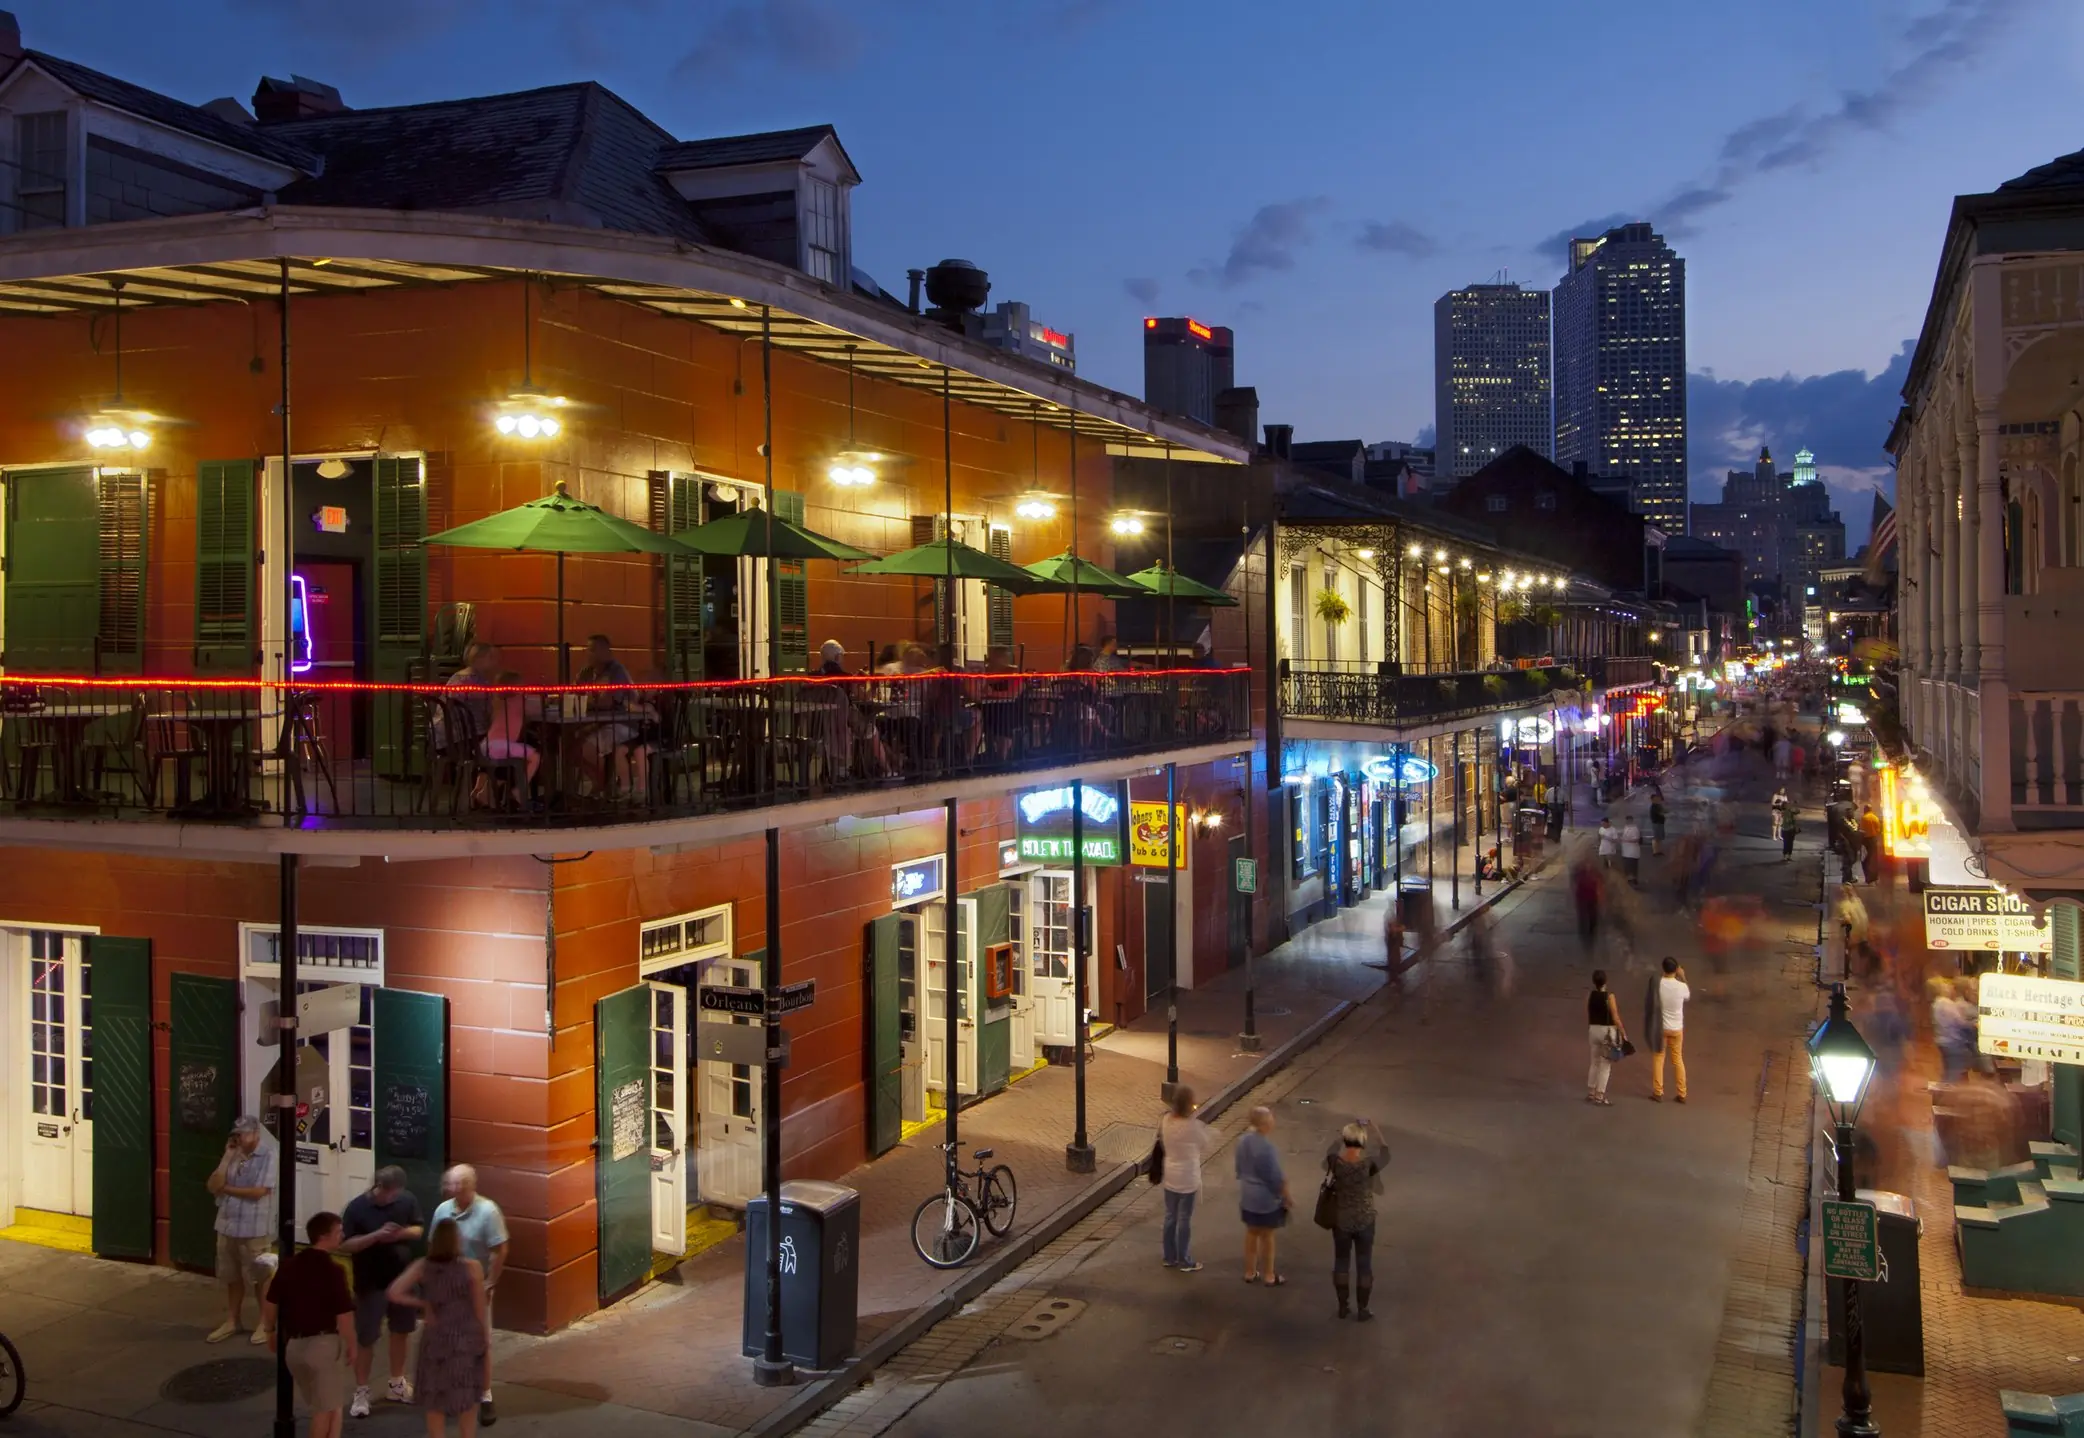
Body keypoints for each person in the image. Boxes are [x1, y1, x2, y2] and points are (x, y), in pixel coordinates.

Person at [388, 1219, 490, 1438]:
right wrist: (484, 1339)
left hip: (436, 1338)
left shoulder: (423, 1266)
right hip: (465, 1337)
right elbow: (480, 1309)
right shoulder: (472, 1268)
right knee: (466, 1397)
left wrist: (423, 1304)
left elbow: (394, 1292)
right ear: (456, 1240)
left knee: (435, 1398)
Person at [342, 1165, 428, 1416]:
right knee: (366, 1337)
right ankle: (361, 1390)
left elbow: (418, 1228)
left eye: (398, 1193)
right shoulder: (357, 1208)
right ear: (379, 1187)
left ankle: (397, 1383)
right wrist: (376, 1236)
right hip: (370, 1283)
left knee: (401, 1331)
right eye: (391, 1193)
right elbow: (347, 1245)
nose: (395, 1197)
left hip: (402, 1279)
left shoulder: (407, 1200)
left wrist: (400, 1233)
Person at [264, 1210, 358, 1438]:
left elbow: (270, 1301)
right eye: (338, 1232)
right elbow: (344, 1315)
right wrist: (352, 1344)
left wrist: (270, 1331)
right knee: (324, 1411)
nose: (342, 1236)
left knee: (330, 1404)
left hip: (294, 1348)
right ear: (324, 1236)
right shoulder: (334, 1271)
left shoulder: (288, 1266)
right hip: (323, 1347)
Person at [429, 1166, 508, 1426]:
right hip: (448, 1289)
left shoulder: (488, 1212)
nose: (453, 1189)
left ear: (471, 1185)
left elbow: (499, 1250)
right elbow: (434, 1246)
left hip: (475, 1288)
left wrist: (489, 1283)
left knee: (480, 1343)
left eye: (459, 1184)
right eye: (451, 1184)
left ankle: (484, 1395)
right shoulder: (442, 1211)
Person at [207, 1114, 278, 1345]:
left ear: (256, 1133)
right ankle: (232, 1320)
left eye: (244, 1134)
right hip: (227, 1223)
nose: (239, 1138)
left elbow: (260, 1191)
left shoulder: (268, 1155)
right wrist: (227, 1158)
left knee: (261, 1277)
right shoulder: (233, 1153)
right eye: (237, 1134)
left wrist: (226, 1188)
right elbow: (212, 1186)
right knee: (232, 1276)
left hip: (254, 1226)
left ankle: (266, 1324)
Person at [1323, 1119, 1389, 1321]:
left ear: (1345, 1140)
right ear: (1363, 1142)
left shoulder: (1336, 1163)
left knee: (1341, 1262)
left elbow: (1331, 1149)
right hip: (1365, 1219)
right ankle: (1363, 1309)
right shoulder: (1368, 1165)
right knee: (1364, 1264)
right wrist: (1375, 1128)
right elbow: (1386, 1152)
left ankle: (1343, 1306)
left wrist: (1342, 1134)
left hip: (1341, 1220)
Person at [574, 634, 645, 797]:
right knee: (570, 747)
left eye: (592, 650)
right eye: (588, 649)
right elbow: (575, 694)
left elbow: (607, 702)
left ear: (606, 651)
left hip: (623, 723)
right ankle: (600, 783)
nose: (588, 653)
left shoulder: (617, 671)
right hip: (598, 721)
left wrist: (586, 699)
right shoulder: (587, 672)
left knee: (587, 748)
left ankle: (604, 784)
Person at [1156, 1086, 1214, 1272]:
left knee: (1170, 1216)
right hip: (1188, 1178)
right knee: (1184, 1219)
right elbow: (1205, 1142)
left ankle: (1169, 1256)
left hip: (1170, 1175)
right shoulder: (1192, 1126)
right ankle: (1185, 1259)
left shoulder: (1165, 1120)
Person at [1233, 1106, 1290, 1285]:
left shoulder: (1242, 1141)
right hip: (1265, 1199)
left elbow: (1239, 1168)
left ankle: (1250, 1271)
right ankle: (1269, 1275)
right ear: (1265, 1124)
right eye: (1271, 1119)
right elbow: (1275, 1177)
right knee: (1267, 1236)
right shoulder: (1267, 1148)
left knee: (1251, 1232)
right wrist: (1286, 1196)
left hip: (1248, 1195)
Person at [1649, 957, 1690, 1103]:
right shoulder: (1681, 986)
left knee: (1659, 1058)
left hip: (1661, 1028)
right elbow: (1687, 996)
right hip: (1677, 1028)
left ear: (1663, 968)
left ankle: (1658, 1092)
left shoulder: (1658, 984)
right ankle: (1682, 1093)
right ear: (1676, 969)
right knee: (1677, 1059)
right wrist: (1683, 976)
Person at [1586, 968, 1627, 1105]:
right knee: (1605, 1064)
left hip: (1593, 1029)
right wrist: (1623, 1032)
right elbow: (1615, 1017)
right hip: (1606, 1032)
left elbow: (1588, 1011)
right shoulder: (1609, 997)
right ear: (1605, 981)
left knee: (1594, 1062)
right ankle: (1600, 1095)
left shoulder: (1590, 995)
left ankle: (1591, 1092)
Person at [1620, 817, 1642, 886]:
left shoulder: (1635, 829)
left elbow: (1636, 839)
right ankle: (1629, 878)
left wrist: (1625, 840)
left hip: (1632, 851)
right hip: (1626, 851)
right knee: (1627, 866)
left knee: (1632, 865)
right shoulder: (1626, 827)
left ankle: (1633, 878)